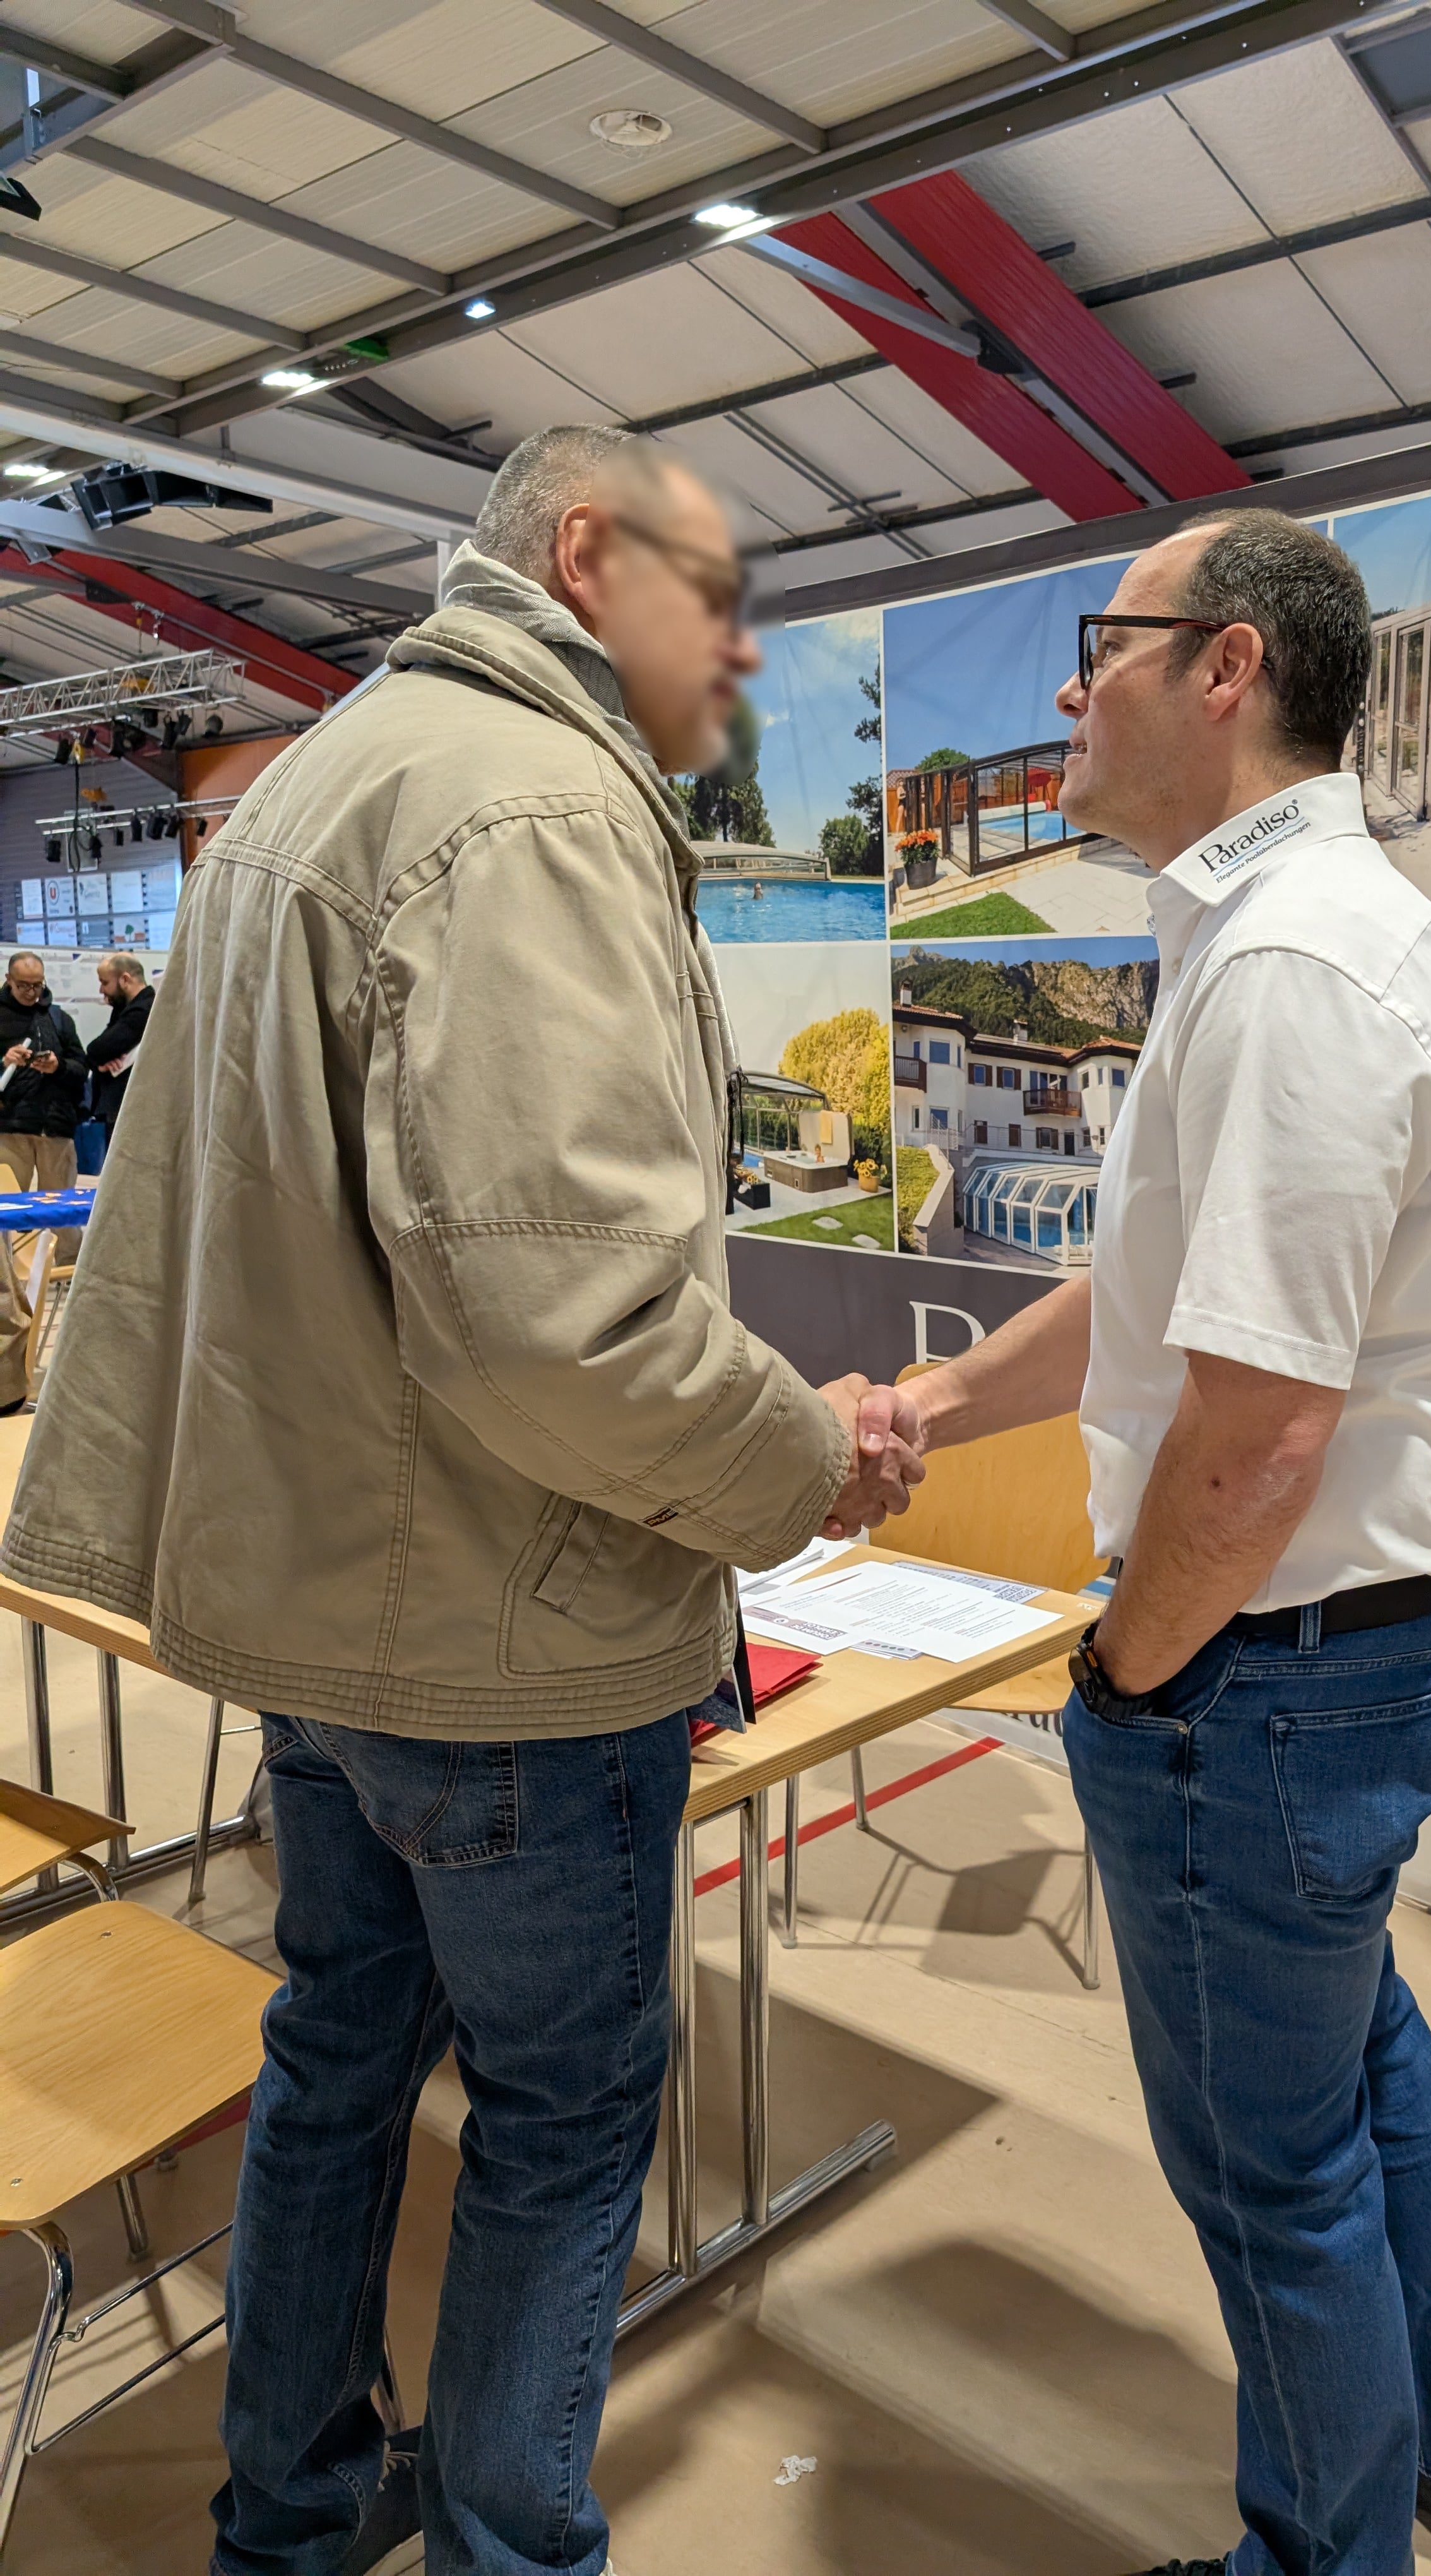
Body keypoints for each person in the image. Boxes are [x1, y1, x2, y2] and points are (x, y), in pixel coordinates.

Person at [0, 424, 924, 2576]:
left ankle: (293, 2520)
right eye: (717, 602)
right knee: (568, 2110)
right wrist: (803, 1465)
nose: (742, 664)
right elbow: (564, 1323)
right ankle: (515, 2542)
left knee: (336, 2060)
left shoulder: (318, 781)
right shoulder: (527, 808)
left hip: (331, 1608)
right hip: (503, 1634)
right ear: (583, 556)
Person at [854, 511, 1431, 2576]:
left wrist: (1134, 1671)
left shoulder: (1291, 970)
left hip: (1272, 1682)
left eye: (1107, 644)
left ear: (1225, 666)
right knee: (1351, 2066)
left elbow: (1251, 1438)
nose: (1070, 689)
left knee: (1268, 2170)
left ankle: (1315, 2556)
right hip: (1347, 1657)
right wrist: (926, 1407)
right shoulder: (1255, 934)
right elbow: (1169, 1289)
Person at [0, 949, 87, 1193]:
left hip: (55, 1127)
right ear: (9, 979)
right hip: (10, 1128)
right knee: (8, 1214)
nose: (31, 993)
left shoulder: (59, 1018)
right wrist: (4, 1062)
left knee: (63, 1215)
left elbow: (81, 1069)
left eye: (37, 985)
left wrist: (58, 1066)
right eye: (23, 986)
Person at [85, 951, 155, 1145]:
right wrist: (100, 1066)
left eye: (105, 983)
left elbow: (97, 1050)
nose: (101, 990)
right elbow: (97, 1055)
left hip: (134, 1109)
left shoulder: (143, 1010)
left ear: (125, 979)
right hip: (123, 1108)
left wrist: (99, 1060)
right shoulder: (124, 1009)